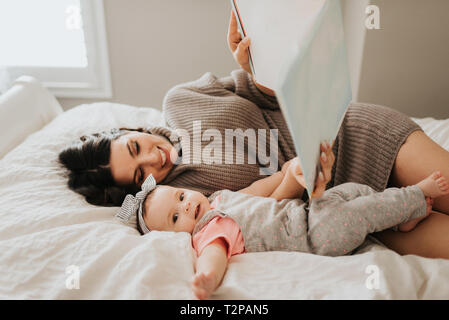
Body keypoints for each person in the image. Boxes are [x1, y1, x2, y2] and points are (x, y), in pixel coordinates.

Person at [58, 11, 449, 259]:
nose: (154, 159)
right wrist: (302, 179)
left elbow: (267, 94)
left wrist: (255, 66)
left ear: (133, 129)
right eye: (140, 171)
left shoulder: (180, 100)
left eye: (136, 147)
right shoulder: (191, 203)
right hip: (341, 204)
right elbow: (271, 205)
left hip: (358, 136)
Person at [115, 142, 449, 300]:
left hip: (309, 211)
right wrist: (208, 277)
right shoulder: (208, 230)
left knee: (354, 193)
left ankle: (402, 219)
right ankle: (416, 196)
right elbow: (214, 253)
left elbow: (268, 193)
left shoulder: (220, 199)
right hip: (314, 235)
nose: (186, 208)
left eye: (182, 197)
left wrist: (291, 173)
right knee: (356, 214)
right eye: (175, 218)